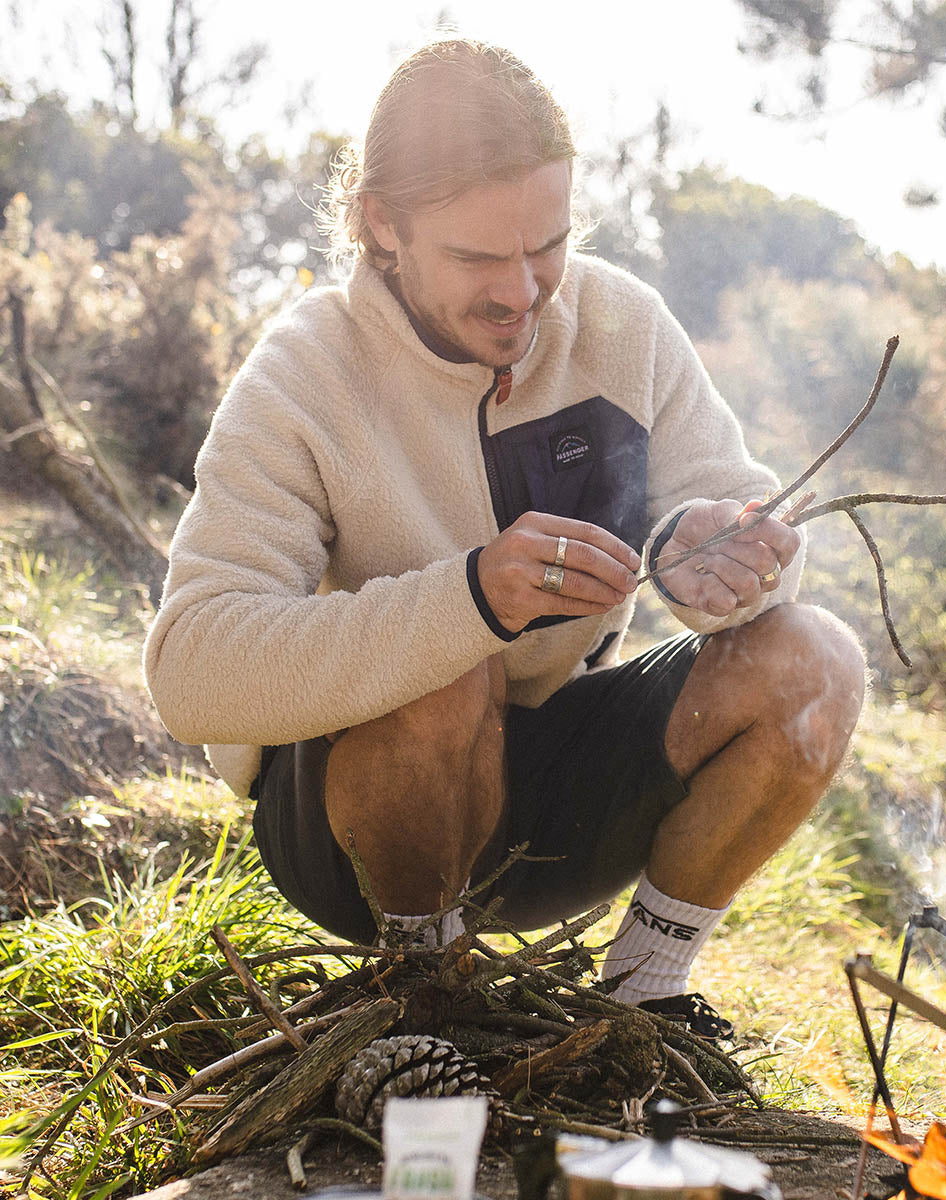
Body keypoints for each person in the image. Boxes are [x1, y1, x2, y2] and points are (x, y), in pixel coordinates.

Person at [143, 38, 865, 1041]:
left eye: (549, 246)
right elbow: (189, 672)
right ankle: (420, 997)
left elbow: (736, 508)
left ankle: (645, 999)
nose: (525, 292)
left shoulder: (622, 324)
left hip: (551, 799)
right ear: (381, 227)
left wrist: (720, 559)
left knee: (815, 659)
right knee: (446, 669)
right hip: (351, 825)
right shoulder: (304, 375)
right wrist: (470, 599)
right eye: (481, 257)